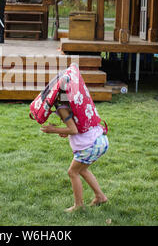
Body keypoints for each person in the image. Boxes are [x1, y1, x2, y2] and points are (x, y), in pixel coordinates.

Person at [40, 68, 109, 213]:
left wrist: (53, 130)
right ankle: (100, 196)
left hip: (89, 145)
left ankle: (78, 206)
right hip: (100, 139)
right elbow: (77, 124)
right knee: (82, 170)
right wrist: (65, 131)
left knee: (72, 172)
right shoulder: (75, 99)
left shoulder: (62, 107)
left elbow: (73, 130)